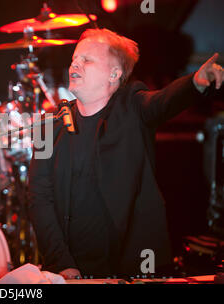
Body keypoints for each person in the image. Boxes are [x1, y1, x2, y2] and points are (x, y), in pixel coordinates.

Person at [28, 28, 223, 279]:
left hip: (130, 267)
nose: (75, 64)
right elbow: (38, 197)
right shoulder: (46, 127)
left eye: (86, 59)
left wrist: (195, 82)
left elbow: (162, 102)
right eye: (74, 59)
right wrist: (61, 262)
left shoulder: (132, 106)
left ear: (114, 73)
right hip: (70, 268)